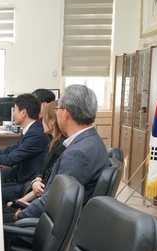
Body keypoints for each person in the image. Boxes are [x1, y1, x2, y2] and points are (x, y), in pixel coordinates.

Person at [13, 84, 111, 221]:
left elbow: (54, 198)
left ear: (66, 113)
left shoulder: (78, 153)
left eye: (58, 109)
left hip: (52, 226)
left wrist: (23, 213)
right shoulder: (92, 140)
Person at [3, 100, 66, 222]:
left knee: (0, 217)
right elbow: (44, 175)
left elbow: (47, 188)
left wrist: (24, 205)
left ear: (52, 121)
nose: (40, 122)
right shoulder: (52, 144)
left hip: (41, 210)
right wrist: (23, 200)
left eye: (43, 118)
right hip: (35, 198)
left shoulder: (62, 147)